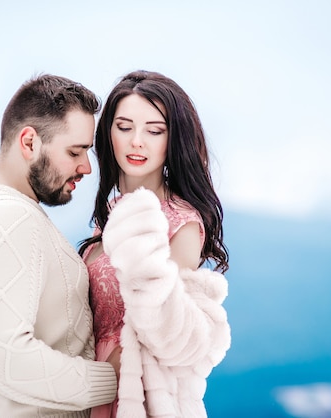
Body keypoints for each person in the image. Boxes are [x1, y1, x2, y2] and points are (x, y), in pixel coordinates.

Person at [0, 74, 120, 417]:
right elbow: (6, 356)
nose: (86, 167)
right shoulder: (7, 217)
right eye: (75, 151)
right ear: (29, 143)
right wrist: (110, 377)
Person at [79, 70, 232, 417]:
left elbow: (173, 333)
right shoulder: (108, 217)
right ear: (108, 134)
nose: (137, 141)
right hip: (89, 391)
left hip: (141, 399)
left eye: (154, 130)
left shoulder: (180, 221)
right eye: (124, 126)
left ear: (171, 140)